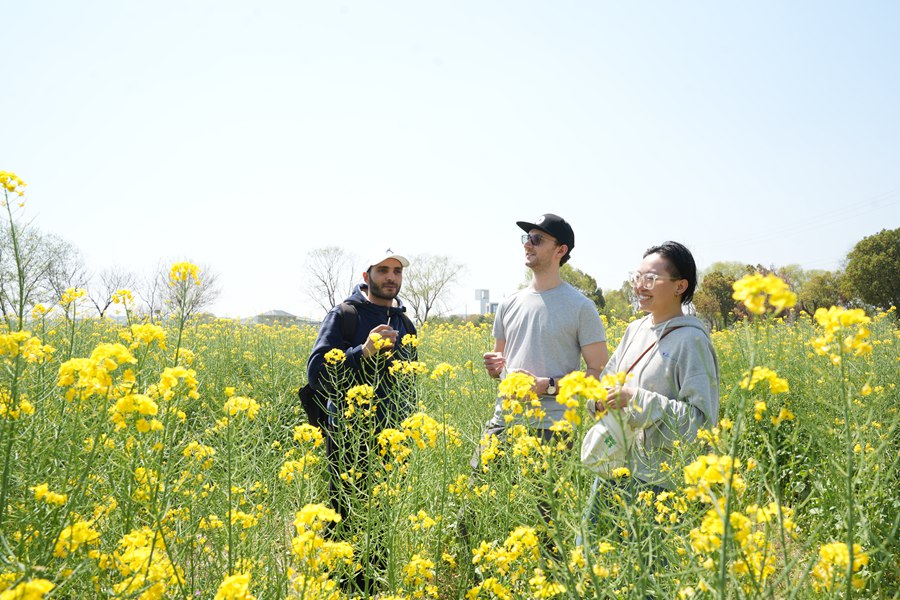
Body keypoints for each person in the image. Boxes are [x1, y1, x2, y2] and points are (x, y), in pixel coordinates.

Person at [464, 214, 608, 548]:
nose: (527, 244)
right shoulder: (510, 303)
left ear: (561, 250)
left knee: (549, 522)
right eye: (526, 238)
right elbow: (500, 364)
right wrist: (495, 367)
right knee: (472, 508)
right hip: (504, 419)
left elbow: (598, 370)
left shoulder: (581, 307)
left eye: (537, 239)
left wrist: (550, 386)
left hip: (552, 427)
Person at [581, 241, 719, 586]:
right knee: (590, 562)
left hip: (660, 483)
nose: (639, 285)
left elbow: (703, 421)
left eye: (650, 278)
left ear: (679, 286)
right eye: (637, 277)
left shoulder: (692, 341)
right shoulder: (635, 330)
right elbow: (607, 382)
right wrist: (597, 400)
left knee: (650, 578)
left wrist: (637, 399)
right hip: (615, 467)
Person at [305, 248, 417, 593]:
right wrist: (364, 350)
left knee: (381, 521)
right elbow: (316, 373)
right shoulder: (345, 316)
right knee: (345, 516)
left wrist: (408, 432)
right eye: (383, 270)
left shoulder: (405, 323)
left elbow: (410, 383)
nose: (391, 277)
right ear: (367, 276)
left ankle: (372, 588)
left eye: (397, 271)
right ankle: (339, 588)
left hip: (390, 439)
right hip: (348, 439)